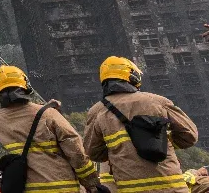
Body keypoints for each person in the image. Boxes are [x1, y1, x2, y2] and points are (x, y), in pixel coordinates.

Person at [84, 57, 198, 193]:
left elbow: (93, 153)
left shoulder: (97, 111)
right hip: (172, 188)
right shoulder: (157, 101)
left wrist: (121, 151)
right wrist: (162, 143)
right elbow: (190, 135)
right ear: (132, 76)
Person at [0, 66, 99, 193]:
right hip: (63, 188)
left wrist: (45, 108)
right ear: (25, 86)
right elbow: (76, 151)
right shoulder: (48, 115)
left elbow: (24, 119)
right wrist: (92, 184)